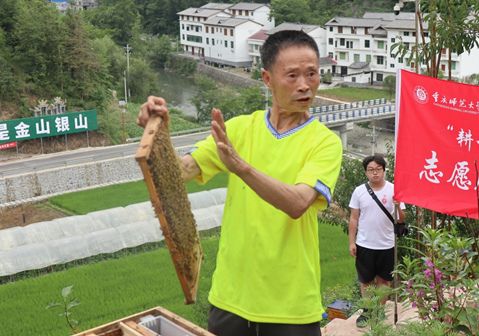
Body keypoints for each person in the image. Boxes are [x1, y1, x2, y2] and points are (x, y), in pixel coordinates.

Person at [137, 30, 342, 336]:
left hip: (291, 308)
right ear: (267, 79)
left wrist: (240, 167)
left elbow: (298, 203)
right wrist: (159, 133)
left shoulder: (325, 142)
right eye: (292, 75)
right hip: (230, 301)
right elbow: (177, 174)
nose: (304, 85)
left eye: (312, 74)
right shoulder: (239, 129)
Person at [348, 155, 406, 327]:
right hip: (365, 243)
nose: (375, 173)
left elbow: (401, 220)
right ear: (366, 172)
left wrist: (397, 205)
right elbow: (353, 219)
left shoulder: (394, 190)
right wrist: (352, 242)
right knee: (366, 281)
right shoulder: (359, 191)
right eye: (371, 170)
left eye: (378, 169)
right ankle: (367, 311)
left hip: (386, 243)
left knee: (384, 281)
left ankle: (379, 312)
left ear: (384, 170)